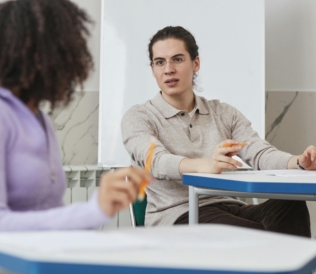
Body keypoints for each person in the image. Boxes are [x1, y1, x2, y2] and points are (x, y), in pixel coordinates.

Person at [0, 0, 151, 273]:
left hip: (24, 257)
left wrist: (100, 210)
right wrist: (92, 210)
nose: (73, 66)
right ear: (33, 56)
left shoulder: (37, 119)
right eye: (63, 52)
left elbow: (45, 217)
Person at [122, 25, 316, 237]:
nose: (168, 69)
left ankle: (292, 269)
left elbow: (260, 153)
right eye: (160, 62)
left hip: (230, 206)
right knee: (258, 238)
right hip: (179, 216)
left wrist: (298, 162)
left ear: (195, 63)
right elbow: (156, 161)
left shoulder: (223, 113)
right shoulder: (139, 117)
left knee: (290, 206)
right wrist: (206, 164)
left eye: (177, 59)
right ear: (153, 69)